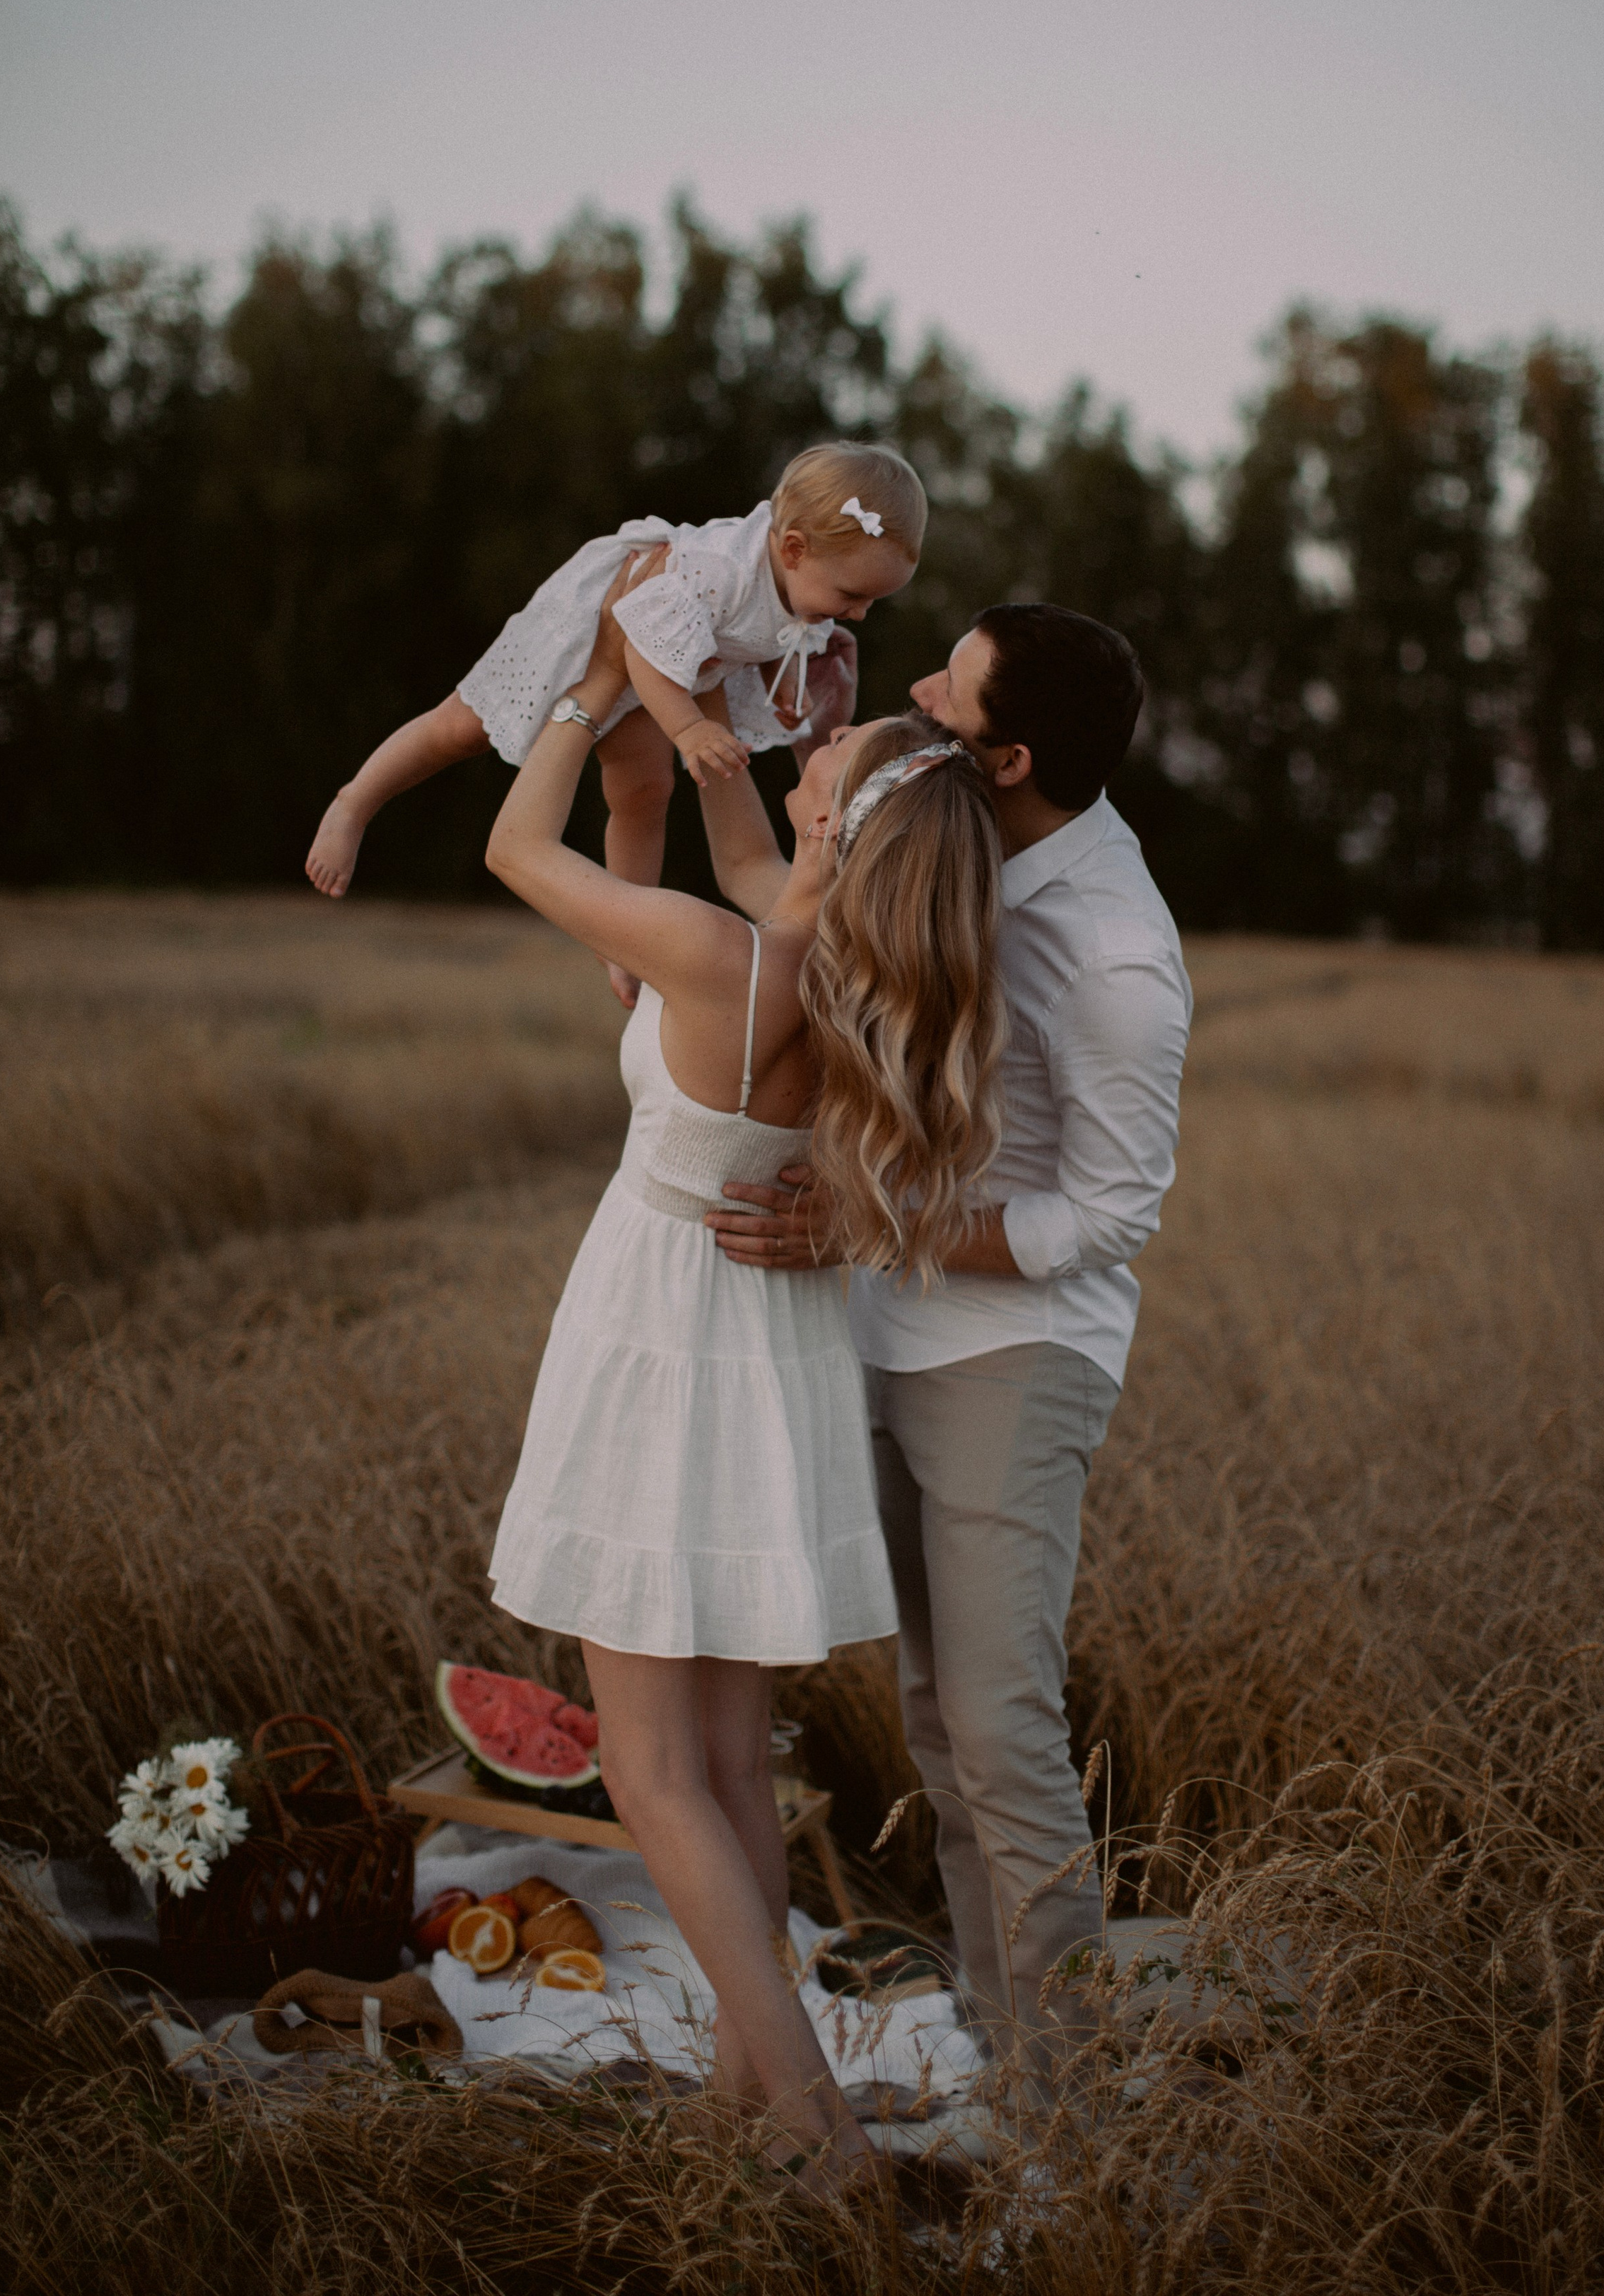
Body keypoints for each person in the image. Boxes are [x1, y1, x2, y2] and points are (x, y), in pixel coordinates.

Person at [483, 569, 1005, 2194]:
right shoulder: (837, 970)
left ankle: (813, 2123)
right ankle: (740, 2087)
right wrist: (719, 768)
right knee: (722, 1757)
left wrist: (578, 695)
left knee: (646, 1765)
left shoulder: (723, 958)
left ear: (844, 838)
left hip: (659, 1336)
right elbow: (758, 865)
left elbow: (514, 849)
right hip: (764, 1350)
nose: (817, 751)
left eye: (833, 772)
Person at [706, 602, 1194, 2089]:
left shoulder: (1113, 956)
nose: (912, 690)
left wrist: (868, 1229)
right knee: (935, 1723)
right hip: (884, 1318)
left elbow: (1110, 1211)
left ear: (1010, 759)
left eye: (947, 687)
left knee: (999, 1726)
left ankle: (1070, 2137)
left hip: (1015, 1348)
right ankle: (1009, 2058)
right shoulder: (942, 830)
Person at [304, 440, 923, 903]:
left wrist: (786, 694)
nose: (861, 614)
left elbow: (784, 640)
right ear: (793, 549)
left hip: (672, 674)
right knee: (460, 726)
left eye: (873, 600)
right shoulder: (716, 571)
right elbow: (635, 643)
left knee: (644, 793)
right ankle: (354, 802)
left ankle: (626, 930)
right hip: (603, 637)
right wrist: (686, 731)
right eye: (854, 595)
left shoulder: (810, 581)